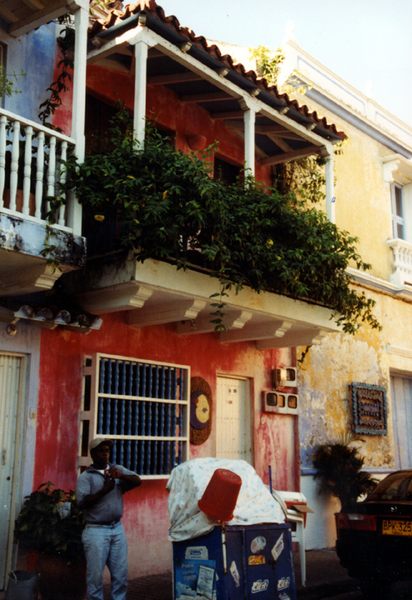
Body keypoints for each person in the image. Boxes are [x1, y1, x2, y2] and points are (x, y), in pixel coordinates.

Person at [76, 437, 141, 600]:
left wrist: (121, 476)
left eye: (107, 451)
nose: (105, 454)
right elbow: (81, 503)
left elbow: (137, 481)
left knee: (120, 576)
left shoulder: (115, 469)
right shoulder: (86, 477)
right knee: (95, 579)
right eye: (101, 451)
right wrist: (104, 490)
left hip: (117, 529)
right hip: (96, 531)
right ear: (92, 454)